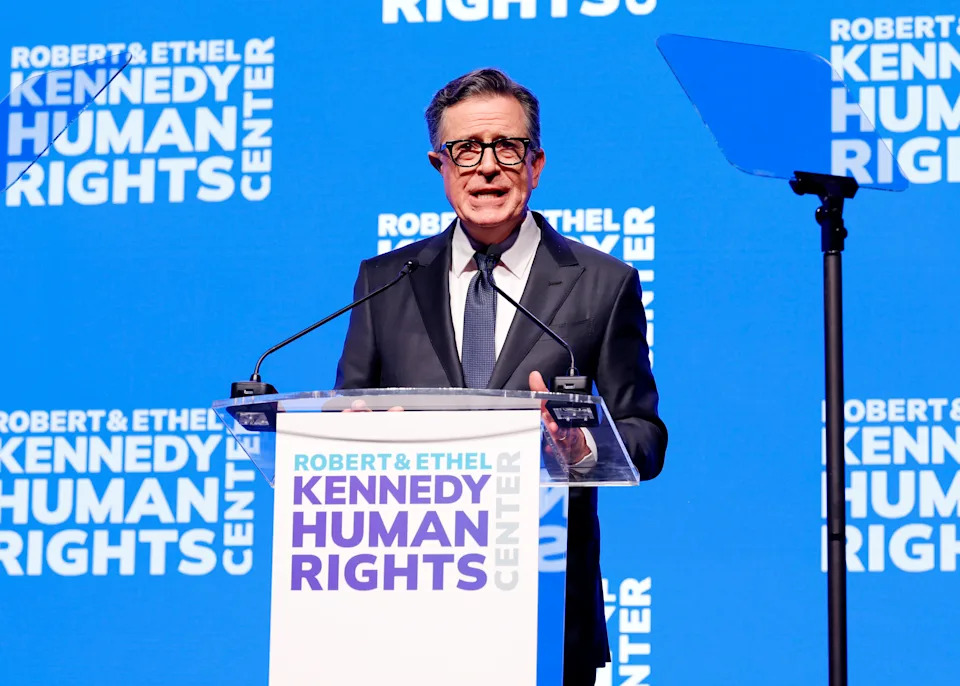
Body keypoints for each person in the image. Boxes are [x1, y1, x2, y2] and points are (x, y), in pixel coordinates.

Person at [335, 68, 667, 686]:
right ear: (441, 164)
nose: (486, 166)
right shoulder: (384, 282)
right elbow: (347, 410)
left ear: (535, 163)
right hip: (402, 606)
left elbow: (645, 436)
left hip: (545, 608)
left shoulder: (602, 283)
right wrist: (353, 439)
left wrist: (583, 446)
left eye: (506, 147)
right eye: (465, 149)